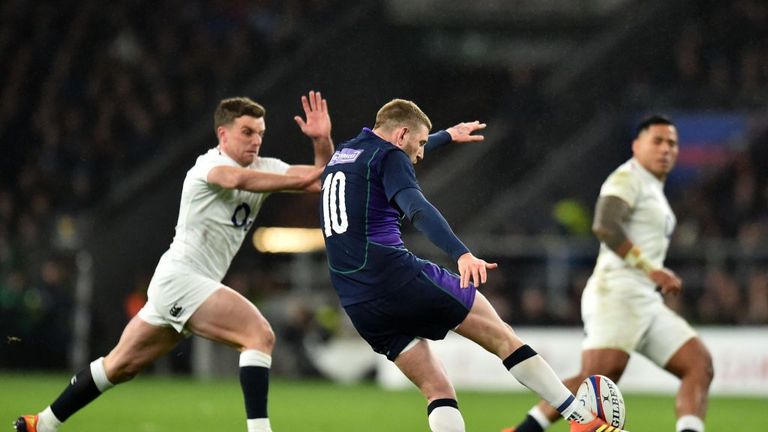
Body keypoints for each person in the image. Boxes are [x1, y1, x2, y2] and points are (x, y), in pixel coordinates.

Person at [14, 91, 334, 432]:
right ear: (223, 134)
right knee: (259, 335)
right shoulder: (208, 166)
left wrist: (322, 140)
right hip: (182, 278)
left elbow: (322, 178)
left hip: (184, 284)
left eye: (260, 133)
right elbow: (239, 180)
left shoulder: (267, 168)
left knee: (119, 366)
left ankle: (41, 424)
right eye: (247, 132)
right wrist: (300, 178)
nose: (256, 141)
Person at [319, 98, 626, 432]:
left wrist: (445, 136)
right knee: (502, 336)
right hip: (392, 274)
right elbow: (417, 208)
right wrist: (461, 253)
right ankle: (582, 419)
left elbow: (391, 156)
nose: (421, 154)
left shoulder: (346, 154)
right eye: (420, 143)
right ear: (402, 134)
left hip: (356, 299)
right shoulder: (392, 155)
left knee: (436, 387)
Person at [504, 115, 714, 432]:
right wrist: (651, 269)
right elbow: (605, 225)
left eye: (671, 143)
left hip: (645, 299)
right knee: (597, 381)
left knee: (699, 364)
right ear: (636, 146)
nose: (665, 149)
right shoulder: (628, 178)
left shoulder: (653, 189)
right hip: (616, 293)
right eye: (656, 141)